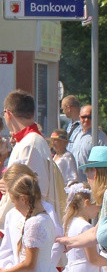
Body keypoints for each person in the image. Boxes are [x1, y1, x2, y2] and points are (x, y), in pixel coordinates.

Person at [0, 90, 67, 225]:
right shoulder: (28, 141)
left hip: (28, 223)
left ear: (8, 114)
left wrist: (10, 187)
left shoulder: (30, 145)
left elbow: (34, 190)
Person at [71, 104, 107, 181]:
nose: (86, 120)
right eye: (84, 117)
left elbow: (105, 163)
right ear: (79, 117)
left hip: (91, 183)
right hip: (76, 183)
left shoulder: (100, 137)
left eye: (89, 117)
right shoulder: (76, 134)